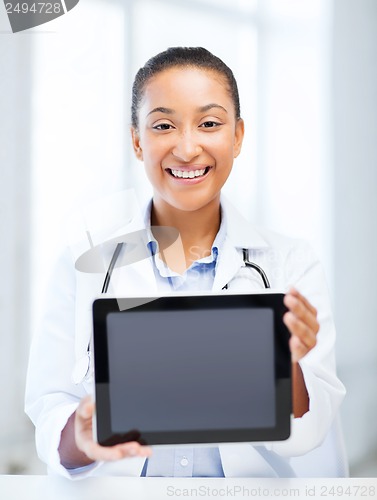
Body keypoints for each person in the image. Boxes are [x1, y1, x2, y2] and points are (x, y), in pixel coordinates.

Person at [25, 47, 346, 478]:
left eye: (210, 123)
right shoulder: (83, 262)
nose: (188, 147)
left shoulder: (292, 263)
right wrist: (83, 437)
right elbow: (50, 412)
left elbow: (311, 433)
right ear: (138, 141)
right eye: (163, 126)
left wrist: (283, 363)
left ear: (237, 136)